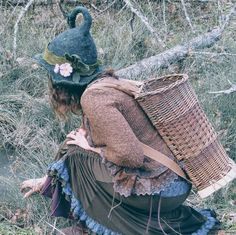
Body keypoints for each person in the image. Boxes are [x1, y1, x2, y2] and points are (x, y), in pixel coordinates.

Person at [21, 6, 220, 235]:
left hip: (163, 191)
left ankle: (93, 227)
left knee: (77, 157)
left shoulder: (94, 98)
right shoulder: (108, 84)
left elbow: (130, 156)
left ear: (63, 80)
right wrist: (49, 177)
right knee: (75, 145)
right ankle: (83, 214)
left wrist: (90, 150)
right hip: (173, 185)